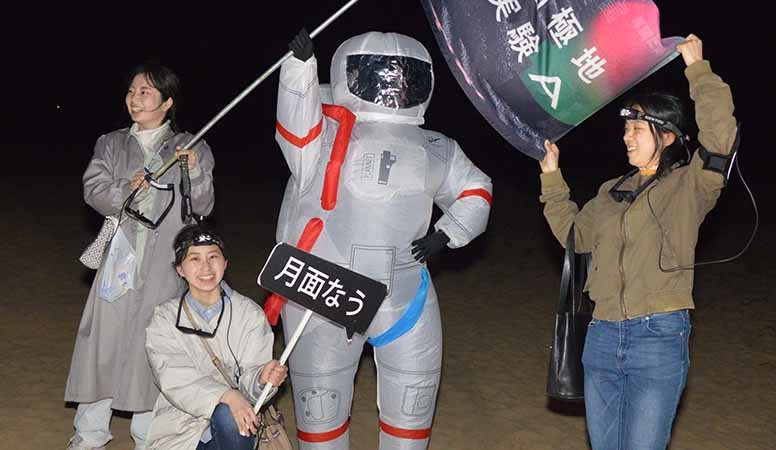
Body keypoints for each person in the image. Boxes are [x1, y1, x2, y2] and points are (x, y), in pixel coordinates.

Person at [266, 29, 492, 449]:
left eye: (405, 73)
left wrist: (448, 232)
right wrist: (299, 68)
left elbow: (475, 189)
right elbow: (295, 125)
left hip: (404, 295)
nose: (393, 81)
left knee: (410, 409)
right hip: (325, 291)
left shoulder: (436, 147)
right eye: (378, 71)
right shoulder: (322, 133)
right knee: (322, 408)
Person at [538, 35, 737, 449]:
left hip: (657, 336)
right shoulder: (611, 191)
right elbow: (575, 237)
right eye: (626, 129)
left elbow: (720, 136)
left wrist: (698, 70)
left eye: (637, 129)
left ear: (667, 136)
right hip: (602, 335)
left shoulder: (690, 185)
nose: (627, 137)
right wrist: (552, 179)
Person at [65, 62, 215, 450]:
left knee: (155, 346)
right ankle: (90, 433)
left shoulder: (191, 146)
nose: (135, 99)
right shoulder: (111, 143)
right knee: (102, 342)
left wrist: (194, 172)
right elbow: (93, 188)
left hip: (164, 262)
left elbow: (202, 206)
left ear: (167, 102)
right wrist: (124, 189)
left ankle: (149, 435)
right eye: (132, 91)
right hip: (120, 258)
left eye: (145, 92)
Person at [144, 224, 289, 450]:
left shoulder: (249, 314)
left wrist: (261, 379)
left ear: (225, 263)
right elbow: (174, 377)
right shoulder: (165, 318)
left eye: (213, 257)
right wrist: (226, 395)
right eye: (194, 259)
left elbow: (252, 380)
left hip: (237, 425)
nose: (206, 267)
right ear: (180, 269)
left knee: (230, 416)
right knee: (228, 408)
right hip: (181, 427)